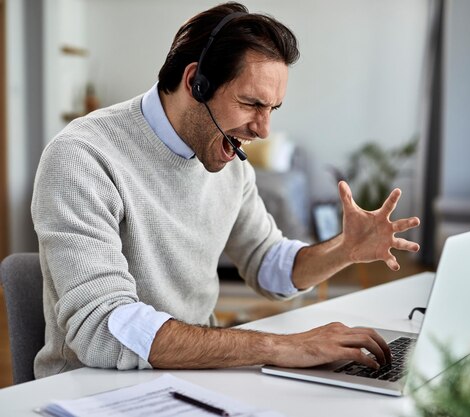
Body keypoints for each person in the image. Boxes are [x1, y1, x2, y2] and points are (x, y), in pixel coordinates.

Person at [31, 2, 420, 379]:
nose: (263, 129)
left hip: (190, 377)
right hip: (92, 389)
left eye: (273, 109)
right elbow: (102, 328)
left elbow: (267, 262)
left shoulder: (227, 160)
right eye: (251, 103)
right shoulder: (82, 157)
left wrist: (345, 248)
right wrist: (282, 346)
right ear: (195, 83)